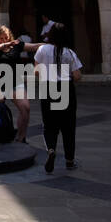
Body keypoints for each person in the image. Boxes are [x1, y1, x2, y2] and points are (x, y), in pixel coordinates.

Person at [34, 22, 83, 172]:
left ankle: (50, 149)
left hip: (48, 87)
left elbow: (36, 71)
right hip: (65, 88)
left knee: (49, 124)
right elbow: (77, 75)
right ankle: (69, 160)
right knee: (68, 126)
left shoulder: (42, 49)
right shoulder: (69, 53)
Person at [0, 25, 32, 143]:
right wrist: (2, 46)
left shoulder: (16, 45)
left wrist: (51, 45)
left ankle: (21, 138)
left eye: (6, 38)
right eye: (1, 38)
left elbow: (34, 46)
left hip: (16, 83)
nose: (4, 40)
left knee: (25, 108)